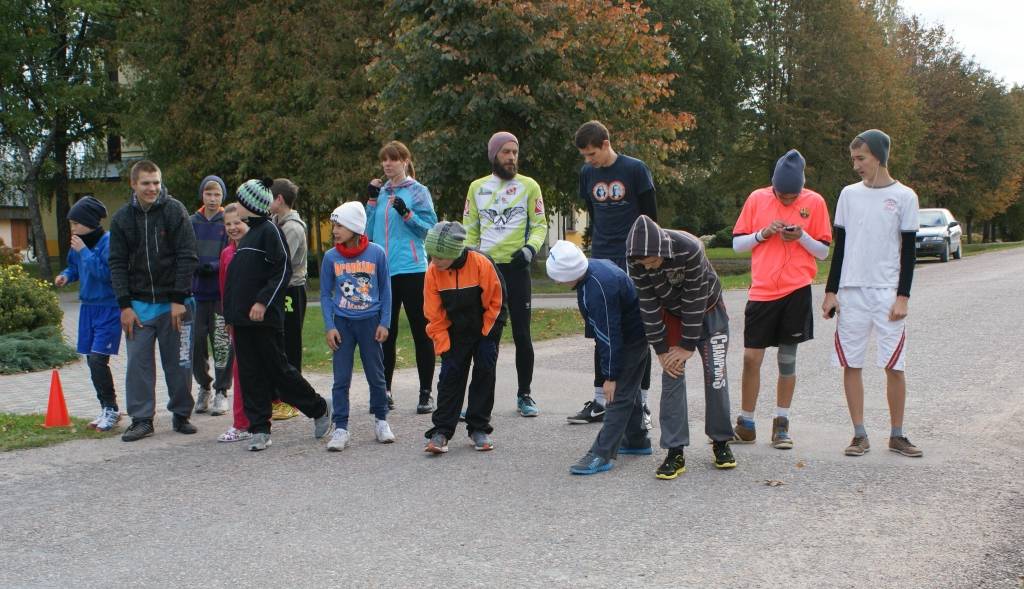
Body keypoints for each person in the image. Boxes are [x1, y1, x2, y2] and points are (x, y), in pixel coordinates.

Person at [822, 129, 923, 458]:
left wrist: (903, 296)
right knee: (851, 363)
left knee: (894, 365)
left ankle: (897, 434)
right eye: (853, 159)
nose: (856, 165)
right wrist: (831, 291)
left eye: (861, 158)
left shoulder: (905, 197)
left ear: (879, 156)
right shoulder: (848, 195)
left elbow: (908, 252)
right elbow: (840, 248)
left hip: (886, 293)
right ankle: (859, 434)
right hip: (852, 293)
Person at [730, 150, 831, 449]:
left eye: (792, 196)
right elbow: (737, 245)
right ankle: (746, 423)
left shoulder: (814, 202)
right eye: (782, 195)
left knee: (787, 360)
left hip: (796, 289)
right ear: (772, 185)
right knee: (751, 358)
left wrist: (800, 237)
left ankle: (781, 423)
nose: (787, 201)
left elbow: (824, 251)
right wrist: (762, 234)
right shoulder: (757, 199)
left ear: (802, 186)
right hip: (762, 291)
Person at [223, 179, 332, 451]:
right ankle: (260, 428)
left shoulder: (271, 232)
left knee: (278, 370)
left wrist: (262, 302)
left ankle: (319, 408)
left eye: (239, 200)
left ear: (249, 205)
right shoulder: (246, 237)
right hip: (242, 321)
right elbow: (234, 281)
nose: (236, 206)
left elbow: (281, 271)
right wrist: (229, 316)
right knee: (250, 374)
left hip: (265, 320)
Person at [625, 215, 737, 478]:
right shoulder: (635, 260)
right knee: (672, 375)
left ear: (661, 250)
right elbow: (648, 306)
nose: (649, 268)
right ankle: (675, 451)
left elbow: (695, 298)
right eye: (644, 264)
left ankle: (721, 441)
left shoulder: (690, 248)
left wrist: (687, 344)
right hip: (671, 314)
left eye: (652, 262)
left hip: (708, 309)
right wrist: (662, 349)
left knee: (716, 374)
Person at [571, 120, 655, 428]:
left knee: (637, 331)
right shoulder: (587, 174)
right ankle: (600, 401)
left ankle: (641, 404)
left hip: (633, 258)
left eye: (592, 154)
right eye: (584, 156)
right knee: (601, 327)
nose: (588, 160)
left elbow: (650, 217)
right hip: (601, 258)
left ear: (606, 144)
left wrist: (646, 258)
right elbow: (593, 214)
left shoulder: (636, 170)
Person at [109, 160, 199, 442]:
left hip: (176, 306)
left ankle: (181, 413)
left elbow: (187, 254)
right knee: (138, 365)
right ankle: (142, 419)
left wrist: (178, 298)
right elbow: (117, 263)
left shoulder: (174, 210)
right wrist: (124, 305)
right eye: (146, 183)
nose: (152, 188)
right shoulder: (122, 218)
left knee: (180, 364)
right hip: (138, 307)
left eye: (156, 182)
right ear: (133, 185)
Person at [545, 241, 653, 475]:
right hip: (631, 333)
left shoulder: (597, 290)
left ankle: (601, 453)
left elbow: (609, 336)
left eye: (557, 278)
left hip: (632, 338)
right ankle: (636, 440)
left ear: (568, 274)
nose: (556, 282)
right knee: (629, 389)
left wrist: (610, 376)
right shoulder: (590, 270)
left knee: (618, 394)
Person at [463, 131, 546, 417]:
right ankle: (478, 399)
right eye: (506, 152)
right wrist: (470, 256)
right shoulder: (476, 188)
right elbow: (470, 228)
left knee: (522, 334)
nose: (512, 157)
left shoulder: (529, 186)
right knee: (482, 335)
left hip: (517, 267)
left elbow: (540, 226)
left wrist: (530, 250)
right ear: (494, 155)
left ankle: (525, 395)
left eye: (515, 151)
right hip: (485, 270)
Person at [422, 221, 508, 455]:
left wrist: (488, 336)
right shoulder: (433, 272)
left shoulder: (481, 263)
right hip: (453, 332)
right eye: (432, 256)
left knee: (484, 373)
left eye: (440, 257)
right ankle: (441, 431)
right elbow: (433, 314)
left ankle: (479, 428)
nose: (434, 261)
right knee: (450, 377)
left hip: (484, 329)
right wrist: (443, 343)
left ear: (454, 252)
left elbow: (497, 302)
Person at [365, 141, 438, 414]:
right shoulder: (382, 192)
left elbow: (430, 230)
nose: (387, 164)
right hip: (384, 270)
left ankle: (426, 393)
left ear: (405, 161)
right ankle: (385, 391)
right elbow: (368, 232)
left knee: (422, 331)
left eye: (393, 159)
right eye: (384, 160)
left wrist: (407, 214)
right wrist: (371, 201)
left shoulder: (419, 192)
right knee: (386, 332)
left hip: (413, 269)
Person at [320, 202, 395, 452]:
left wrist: (385, 321)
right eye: (334, 226)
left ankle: (381, 420)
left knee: (376, 375)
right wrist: (330, 326)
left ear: (354, 227)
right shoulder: (331, 257)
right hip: (343, 324)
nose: (335, 230)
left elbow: (385, 289)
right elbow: (324, 294)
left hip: (370, 323)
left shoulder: (376, 253)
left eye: (339, 225)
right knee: (341, 378)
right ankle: (341, 427)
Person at [54, 196, 122, 431]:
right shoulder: (78, 244)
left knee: (97, 359)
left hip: (109, 308)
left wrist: (84, 252)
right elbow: (74, 266)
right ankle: (104, 407)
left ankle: (112, 409)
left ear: (90, 221)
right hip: (87, 309)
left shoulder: (108, 241)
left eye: (76, 223)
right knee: (91, 361)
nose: (72, 229)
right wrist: (66, 275)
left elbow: (106, 273)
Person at [190, 175, 232, 416]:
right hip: (197, 294)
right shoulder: (192, 221)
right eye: (209, 194)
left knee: (221, 343)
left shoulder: (226, 222)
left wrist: (215, 266)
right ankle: (204, 386)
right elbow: (185, 250)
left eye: (217, 194)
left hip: (219, 294)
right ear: (202, 195)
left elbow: (230, 250)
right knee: (196, 343)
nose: (213, 199)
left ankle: (221, 390)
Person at [268, 178, 308, 421]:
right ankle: (278, 396)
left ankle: (294, 399)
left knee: (290, 344)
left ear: (279, 199)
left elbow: (281, 261)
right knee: (277, 343)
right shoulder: (276, 221)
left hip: (292, 290)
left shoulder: (292, 228)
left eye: (269, 197)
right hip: (280, 290)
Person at [216, 204, 252, 443]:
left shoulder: (256, 249)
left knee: (266, 369)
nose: (232, 228)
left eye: (237, 222)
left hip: (259, 321)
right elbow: (224, 289)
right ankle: (241, 423)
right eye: (228, 224)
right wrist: (228, 319)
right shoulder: (226, 254)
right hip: (237, 322)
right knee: (240, 370)